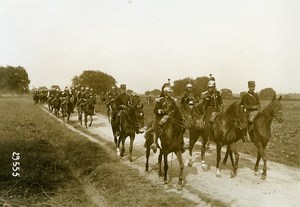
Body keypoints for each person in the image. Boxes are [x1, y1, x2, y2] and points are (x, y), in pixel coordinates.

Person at [149, 84, 185, 152]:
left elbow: (174, 109)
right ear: (165, 92)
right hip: (160, 117)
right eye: (169, 92)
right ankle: (154, 143)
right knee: (155, 127)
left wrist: (173, 111)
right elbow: (155, 110)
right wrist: (160, 111)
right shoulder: (160, 100)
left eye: (171, 92)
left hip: (170, 116)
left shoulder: (173, 101)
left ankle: (181, 143)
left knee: (180, 126)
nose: (171, 94)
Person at [202, 75, 224, 148]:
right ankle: (207, 140)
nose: (209, 89)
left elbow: (220, 102)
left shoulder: (217, 93)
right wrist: (207, 99)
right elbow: (204, 104)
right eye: (209, 87)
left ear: (214, 87)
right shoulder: (206, 94)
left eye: (211, 87)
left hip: (217, 110)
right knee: (208, 124)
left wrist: (222, 105)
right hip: (209, 110)